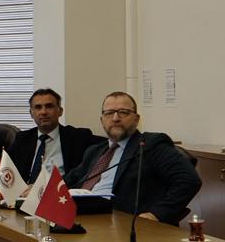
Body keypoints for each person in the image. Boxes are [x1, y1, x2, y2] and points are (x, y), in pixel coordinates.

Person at [66, 91, 201, 225]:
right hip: (82, 217)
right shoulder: (95, 151)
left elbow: (189, 180)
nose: (115, 118)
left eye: (123, 112)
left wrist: (156, 214)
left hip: (122, 224)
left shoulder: (151, 144)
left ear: (136, 119)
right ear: (102, 120)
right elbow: (68, 181)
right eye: (109, 113)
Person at [8, 89, 103, 183]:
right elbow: (7, 170)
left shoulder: (78, 137)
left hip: (60, 190)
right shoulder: (22, 139)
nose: (43, 112)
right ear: (31, 114)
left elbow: (108, 144)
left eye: (49, 106)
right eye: (38, 107)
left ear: (60, 111)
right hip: (26, 191)